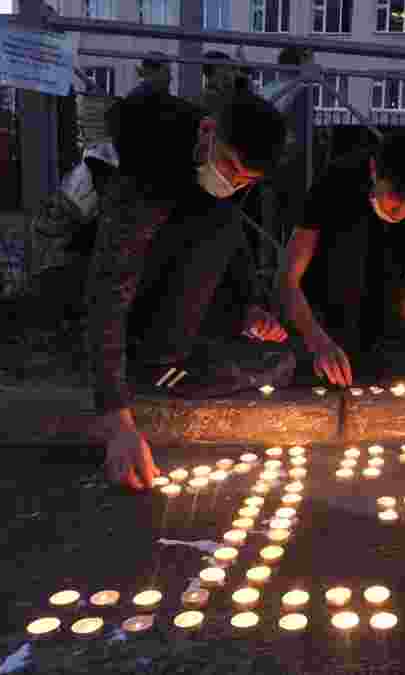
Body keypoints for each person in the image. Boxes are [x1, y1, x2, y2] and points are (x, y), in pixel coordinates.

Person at [91, 88, 291, 491]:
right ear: (207, 130)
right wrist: (117, 418)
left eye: (246, 180)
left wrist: (249, 306)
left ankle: (180, 349)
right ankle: (158, 362)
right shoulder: (145, 172)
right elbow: (110, 289)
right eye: (231, 168)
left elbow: (230, 238)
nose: (233, 183)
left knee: (218, 227)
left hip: (177, 278)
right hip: (135, 286)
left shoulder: (214, 172)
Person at [280, 128, 405, 387]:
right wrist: (318, 342)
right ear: (373, 170)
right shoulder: (335, 183)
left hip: (383, 327)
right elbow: (287, 280)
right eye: (393, 204)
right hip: (319, 316)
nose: (398, 215)